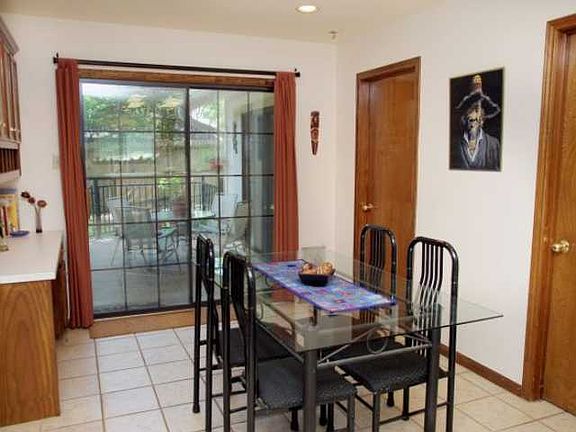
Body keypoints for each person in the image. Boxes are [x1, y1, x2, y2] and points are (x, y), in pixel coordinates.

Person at [450, 74, 501, 170]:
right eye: (469, 111)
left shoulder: (494, 145)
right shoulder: (454, 145)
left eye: (477, 110)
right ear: (463, 117)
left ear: (482, 117)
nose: (472, 116)